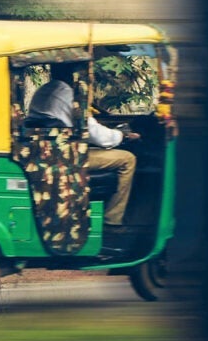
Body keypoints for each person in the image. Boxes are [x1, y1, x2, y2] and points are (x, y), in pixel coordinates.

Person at [25, 78, 139, 228]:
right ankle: (112, 221)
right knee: (127, 159)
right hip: (65, 155)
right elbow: (100, 137)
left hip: (46, 150)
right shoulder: (70, 95)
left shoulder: (47, 88)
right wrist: (123, 136)